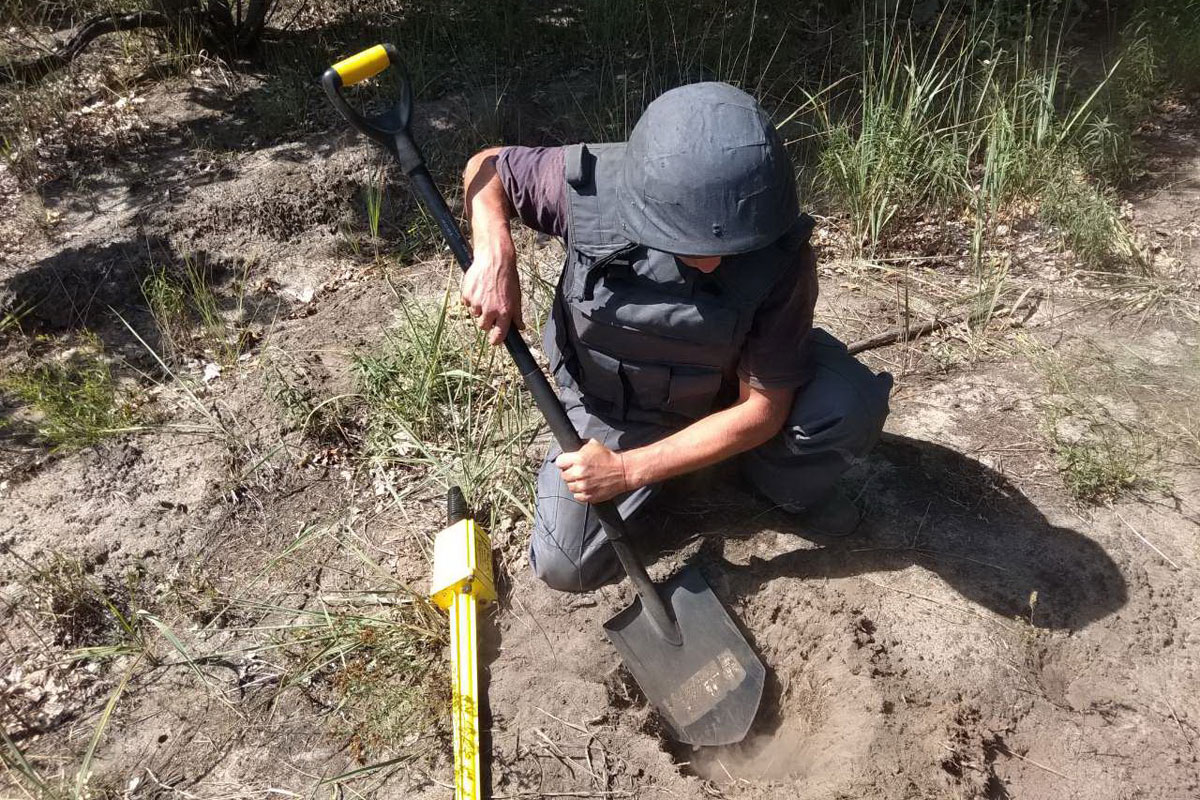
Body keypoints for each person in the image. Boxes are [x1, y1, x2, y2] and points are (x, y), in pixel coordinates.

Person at [460, 82, 892, 593]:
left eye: (732, 243)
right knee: (565, 564)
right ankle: (683, 470)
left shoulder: (780, 249)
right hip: (612, 409)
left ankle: (768, 479)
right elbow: (487, 168)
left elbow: (764, 409)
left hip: (723, 397)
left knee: (846, 406)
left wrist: (625, 473)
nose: (712, 259)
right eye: (688, 240)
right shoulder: (594, 189)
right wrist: (494, 250)